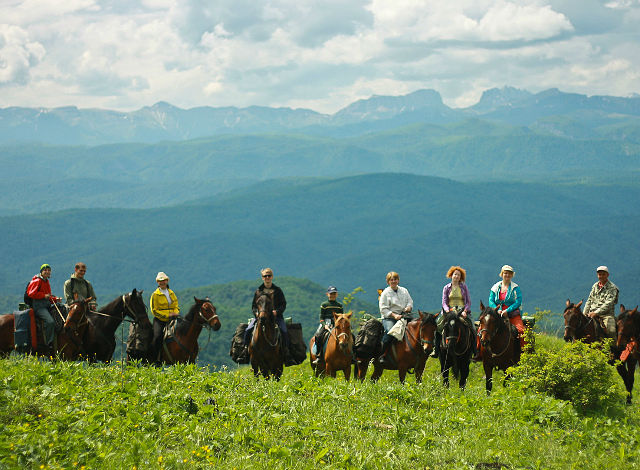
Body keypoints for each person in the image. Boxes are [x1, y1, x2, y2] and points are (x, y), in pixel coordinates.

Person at [244, 268, 291, 363]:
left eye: (269, 275)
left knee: (284, 331)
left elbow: (283, 304)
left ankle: (286, 351)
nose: (267, 277)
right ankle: (246, 350)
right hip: (260, 317)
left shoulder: (277, 290)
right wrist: (257, 314)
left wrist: (277, 312)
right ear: (262, 278)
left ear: (272, 277)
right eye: (265, 276)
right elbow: (254, 306)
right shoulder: (258, 291)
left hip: (276, 317)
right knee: (248, 329)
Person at [439, 265, 477, 358]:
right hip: (449, 311)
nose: (456, 276)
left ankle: (474, 349)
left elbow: (468, 301)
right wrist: (447, 311)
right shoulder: (446, 288)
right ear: (451, 275)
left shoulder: (464, 287)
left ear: (461, 277)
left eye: (458, 275)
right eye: (455, 274)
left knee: (472, 326)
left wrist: (465, 310)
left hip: (462, 311)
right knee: (438, 325)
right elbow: (444, 302)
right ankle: (436, 349)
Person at [378, 271, 413, 365]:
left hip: (404, 315)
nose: (393, 281)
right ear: (388, 281)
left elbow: (410, 301)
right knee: (390, 332)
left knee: (416, 328)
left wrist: (408, 307)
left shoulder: (404, 290)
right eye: (391, 280)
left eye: (395, 279)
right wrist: (394, 315)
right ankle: (383, 354)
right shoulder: (385, 293)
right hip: (389, 317)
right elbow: (383, 309)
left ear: (398, 280)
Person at [488, 265, 525, 349]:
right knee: (483, 329)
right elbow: (491, 300)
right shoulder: (495, 287)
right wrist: (498, 310)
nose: (507, 275)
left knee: (521, 331)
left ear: (512, 275)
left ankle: (523, 352)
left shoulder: (515, 288)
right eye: (505, 273)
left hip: (513, 314)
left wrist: (507, 310)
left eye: (509, 273)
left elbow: (518, 302)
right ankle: (480, 352)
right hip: (497, 313)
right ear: (502, 274)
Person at [149, 271, 180, 364]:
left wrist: (175, 313)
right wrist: (167, 316)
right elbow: (154, 310)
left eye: (164, 280)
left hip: (173, 318)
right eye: (160, 281)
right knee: (157, 336)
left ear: (167, 281)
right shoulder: (155, 295)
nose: (162, 282)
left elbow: (176, 306)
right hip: (160, 320)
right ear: (157, 282)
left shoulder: (171, 293)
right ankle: (156, 359)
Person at [26, 264, 57, 350]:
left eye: (49, 270)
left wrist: (55, 299)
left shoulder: (46, 281)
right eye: (45, 270)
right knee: (50, 322)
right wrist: (43, 296)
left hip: (46, 306)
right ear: (41, 272)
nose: (47, 272)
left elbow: (48, 296)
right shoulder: (37, 281)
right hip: (39, 307)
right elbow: (31, 293)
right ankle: (48, 343)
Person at [583, 266, 619, 339]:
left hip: (606, 315)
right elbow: (589, 300)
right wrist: (584, 313)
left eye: (603, 274)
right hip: (590, 313)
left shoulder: (612, 287)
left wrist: (596, 313)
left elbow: (608, 304)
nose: (601, 276)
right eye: (600, 274)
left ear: (607, 275)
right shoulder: (595, 286)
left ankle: (614, 348)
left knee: (611, 330)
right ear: (597, 275)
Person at [312, 285, 344, 365]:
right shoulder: (324, 305)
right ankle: (319, 356)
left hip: (337, 324)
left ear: (336, 294)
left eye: (334, 293)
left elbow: (341, 317)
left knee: (349, 336)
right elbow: (321, 318)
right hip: (326, 323)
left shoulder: (340, 305)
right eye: (331, 293)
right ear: (327, 294)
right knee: (318, 336)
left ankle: (351, 356)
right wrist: (324, 325)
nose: (332, 295)